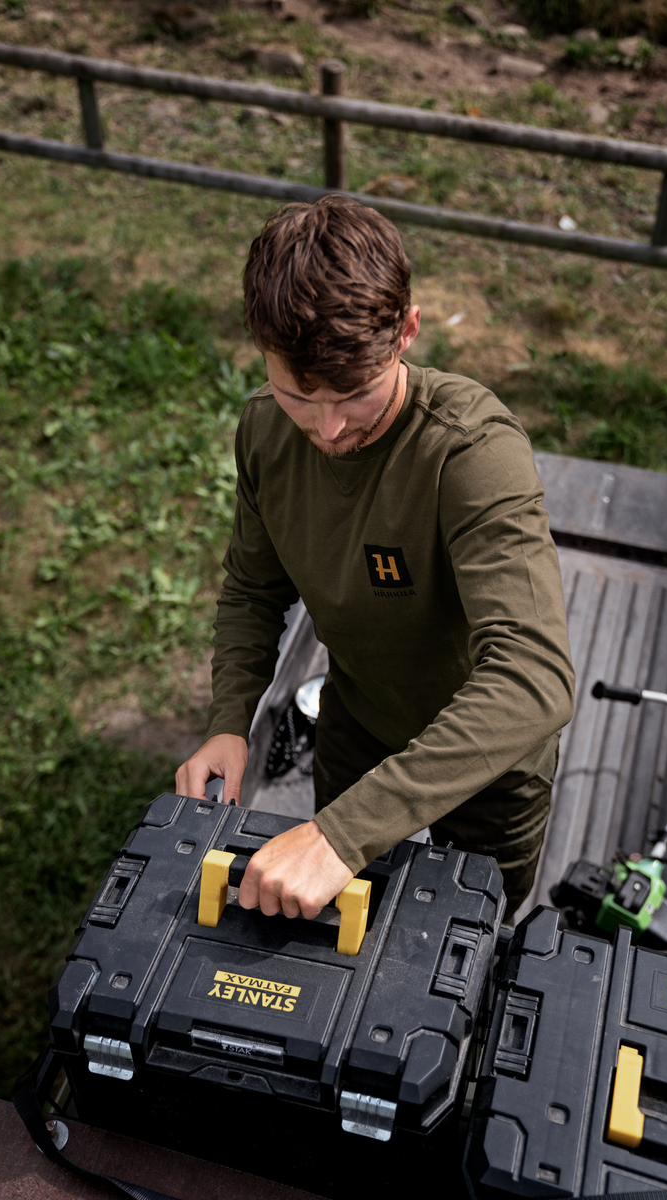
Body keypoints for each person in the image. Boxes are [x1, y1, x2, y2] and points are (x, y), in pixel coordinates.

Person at [176, 195, 574, 922]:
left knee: (464, 945)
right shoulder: (265, 431)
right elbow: (252, 591)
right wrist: (230, 719)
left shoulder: (471, 452)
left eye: (354, 395)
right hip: (356, 723)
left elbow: (533, 679)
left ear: (408, 331)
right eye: (300, 394)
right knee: (330, 929)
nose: (327, 428)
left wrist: (339, 836)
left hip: (488, 769)